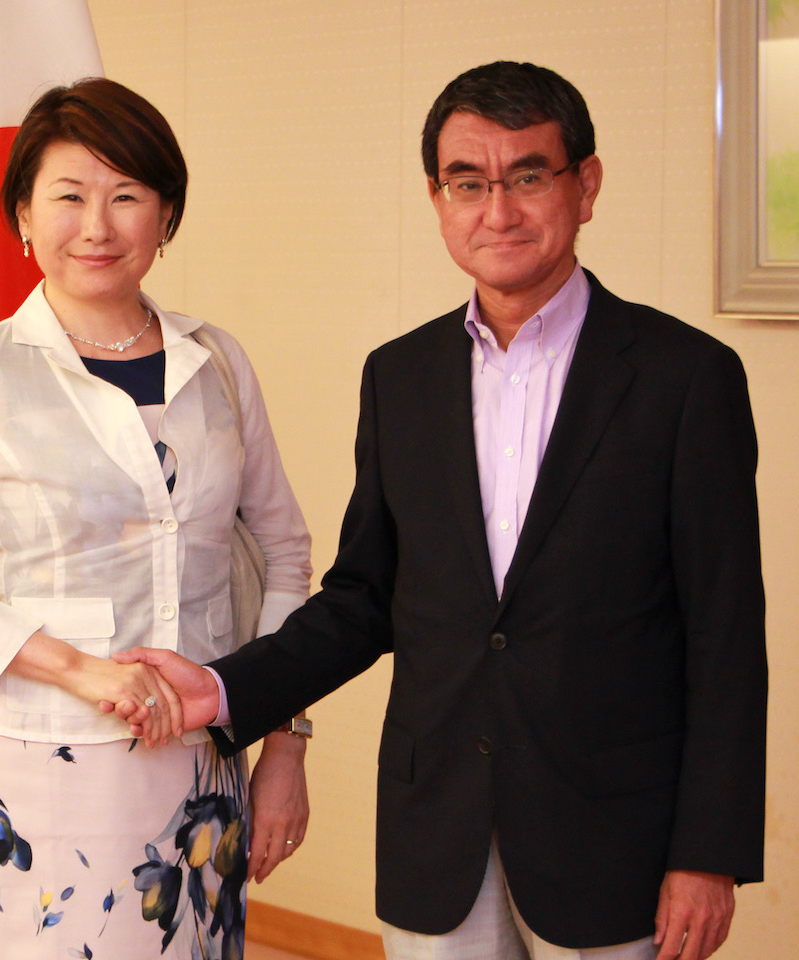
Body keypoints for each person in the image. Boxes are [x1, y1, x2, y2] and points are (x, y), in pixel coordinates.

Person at [119, 62, 767, 960]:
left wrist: (708, 852)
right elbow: (363, 599)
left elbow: (725, 635)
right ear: (437, 198)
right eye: (468, 183)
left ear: (586, 186)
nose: (497, 210)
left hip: (616, 842)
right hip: (437, 829)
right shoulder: (401, 377)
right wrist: (228, 688)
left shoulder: (685, 378)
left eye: (528, 176)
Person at [0, 77, 312, 960]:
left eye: (127, 196)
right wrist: (79, 670)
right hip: (46, 767)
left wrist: (286, 747)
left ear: (167, 214)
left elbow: (284, 552)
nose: (97, 226)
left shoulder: (218, 362)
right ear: (24, 216)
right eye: (69, 196)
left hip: (206, 767)